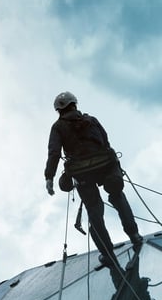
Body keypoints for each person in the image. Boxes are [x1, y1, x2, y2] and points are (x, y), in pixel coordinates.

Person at [44, 91, 142, 268]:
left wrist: (49, 177)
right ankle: (134, 235)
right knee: (117, 196)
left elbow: (54, 153)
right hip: (106, 165)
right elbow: (105, 141)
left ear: (58, 110)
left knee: (94, 211)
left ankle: (108, 254)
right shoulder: (92, 120)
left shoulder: (58, 127)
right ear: (75, 104)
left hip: (82, 174)